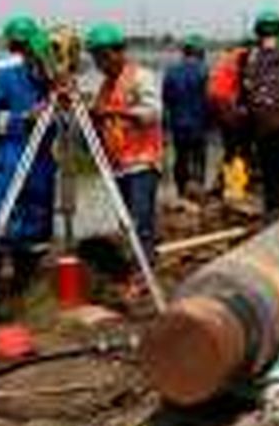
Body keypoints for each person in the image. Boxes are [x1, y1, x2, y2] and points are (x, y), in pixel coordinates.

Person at [0, 14, 57, 320]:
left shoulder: (48, 71)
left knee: (36, 227)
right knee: (2, 224)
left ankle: (25, 291)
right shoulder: (1, 73)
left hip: (42, 160)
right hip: (12, 156)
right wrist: (24, 118)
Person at [85, 22, 163, 259]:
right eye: (96, 58)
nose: (99, 64)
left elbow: (153, 112)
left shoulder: (141, 76)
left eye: (102, 57)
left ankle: (144, 269)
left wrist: (114, 112)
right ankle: (135, 261)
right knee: (126, 220)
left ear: (118, 52)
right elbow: (104, 119)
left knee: (141, 220)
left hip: (142, 163)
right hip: (118, 165)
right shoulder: (106, 85)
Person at [241, 6, 279, 221]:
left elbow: (246, 87)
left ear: (258, 32)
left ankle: (272, 208)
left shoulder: (251, 57)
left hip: (261, 123)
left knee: (268, 167)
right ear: (278, 32)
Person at [162, 33, 209, 197]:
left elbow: (166, 100)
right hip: (199, 123)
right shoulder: (204, 71)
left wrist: (165, 127)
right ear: (199, 52)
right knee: (199, 158)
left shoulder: (171, 72)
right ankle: (199, 188)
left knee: (181, 158)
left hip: (178, 123)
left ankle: (181, 192)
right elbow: (209, 99)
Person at [207, 39, 252, 199]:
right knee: (238, 150)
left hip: (217, 107)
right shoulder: (241, 58)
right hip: (226, 107)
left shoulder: (226, 59)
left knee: (230, 148)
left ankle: (227, 184)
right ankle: (236, 186)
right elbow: (243, 87)